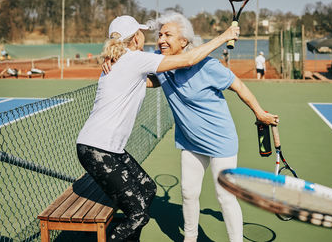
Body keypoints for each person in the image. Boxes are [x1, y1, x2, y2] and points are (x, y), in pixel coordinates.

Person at [103, 12, 278, 242]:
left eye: (168, 35)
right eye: (160, 35)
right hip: (189, 141)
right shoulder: (159, 60)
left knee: (225, 197)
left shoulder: (208, 65)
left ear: (184, 41)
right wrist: (115, 62)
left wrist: (259, 112)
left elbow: (239, 86)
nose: (161, 39)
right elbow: (150, 78)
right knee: (188, 193)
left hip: (220, 141)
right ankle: (190, 238)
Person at [77, 15, 239, 242]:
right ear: (135, 38)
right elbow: (189, 59)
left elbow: (149, 80)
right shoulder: (135, 59)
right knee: (138, 213)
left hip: (106, 148)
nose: (151, 37)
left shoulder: (125, 60)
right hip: (97, 149)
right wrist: (225, 36)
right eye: (142, 32)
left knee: (148, 189)